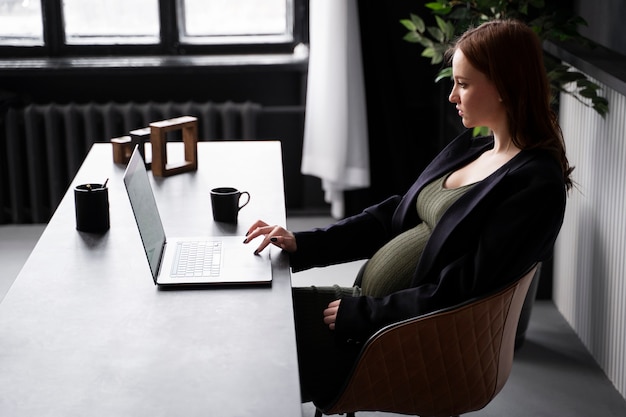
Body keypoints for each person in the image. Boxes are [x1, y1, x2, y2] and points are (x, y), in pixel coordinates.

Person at [244, 18, 572, 407]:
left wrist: (367, 314)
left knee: (254, 349)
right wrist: (305, 244)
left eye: (463, 84)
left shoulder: (534, 184)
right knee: (253, 315)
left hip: (399, 336)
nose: (452, 96)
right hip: (361, 309)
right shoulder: (476, 150)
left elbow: (465, 288)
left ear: (505, 86)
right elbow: (392, 216)